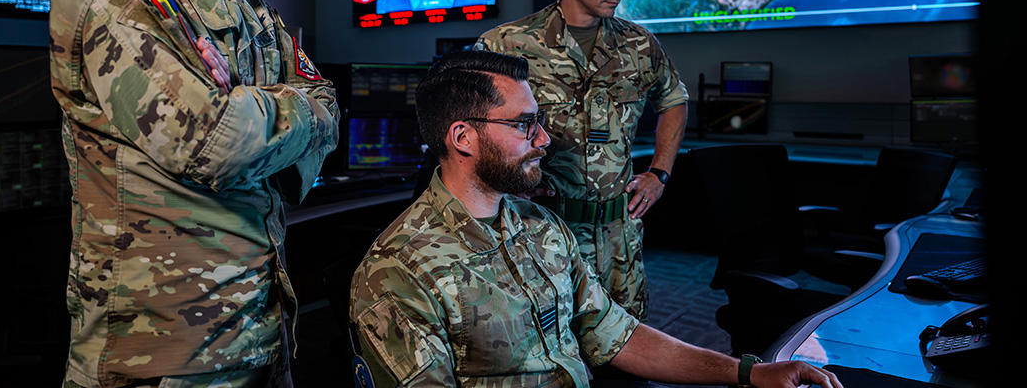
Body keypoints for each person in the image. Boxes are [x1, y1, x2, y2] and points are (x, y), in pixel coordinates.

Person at [49, 0, 339, 388]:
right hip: (161, 356)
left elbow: (330, 108)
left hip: (263, 333)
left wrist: (252, 110)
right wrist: (277, 116)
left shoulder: (253, 11)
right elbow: (214, 144)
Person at [349, 50, 838, 388]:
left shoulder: (540, 225)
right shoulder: (398, 271)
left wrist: (747, 372)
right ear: (463, 138)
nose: (544, 140)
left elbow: (616, 334)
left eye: (539, 121)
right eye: (524, 124)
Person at [475, 0, 687, 320]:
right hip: (543, 234)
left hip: (619, 240)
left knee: (628, 344)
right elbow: (474, 127)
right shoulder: (506, 45)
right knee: (550, 345)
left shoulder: (639, 45)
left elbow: (674, 99)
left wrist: (659, 173)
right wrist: (506, 181)